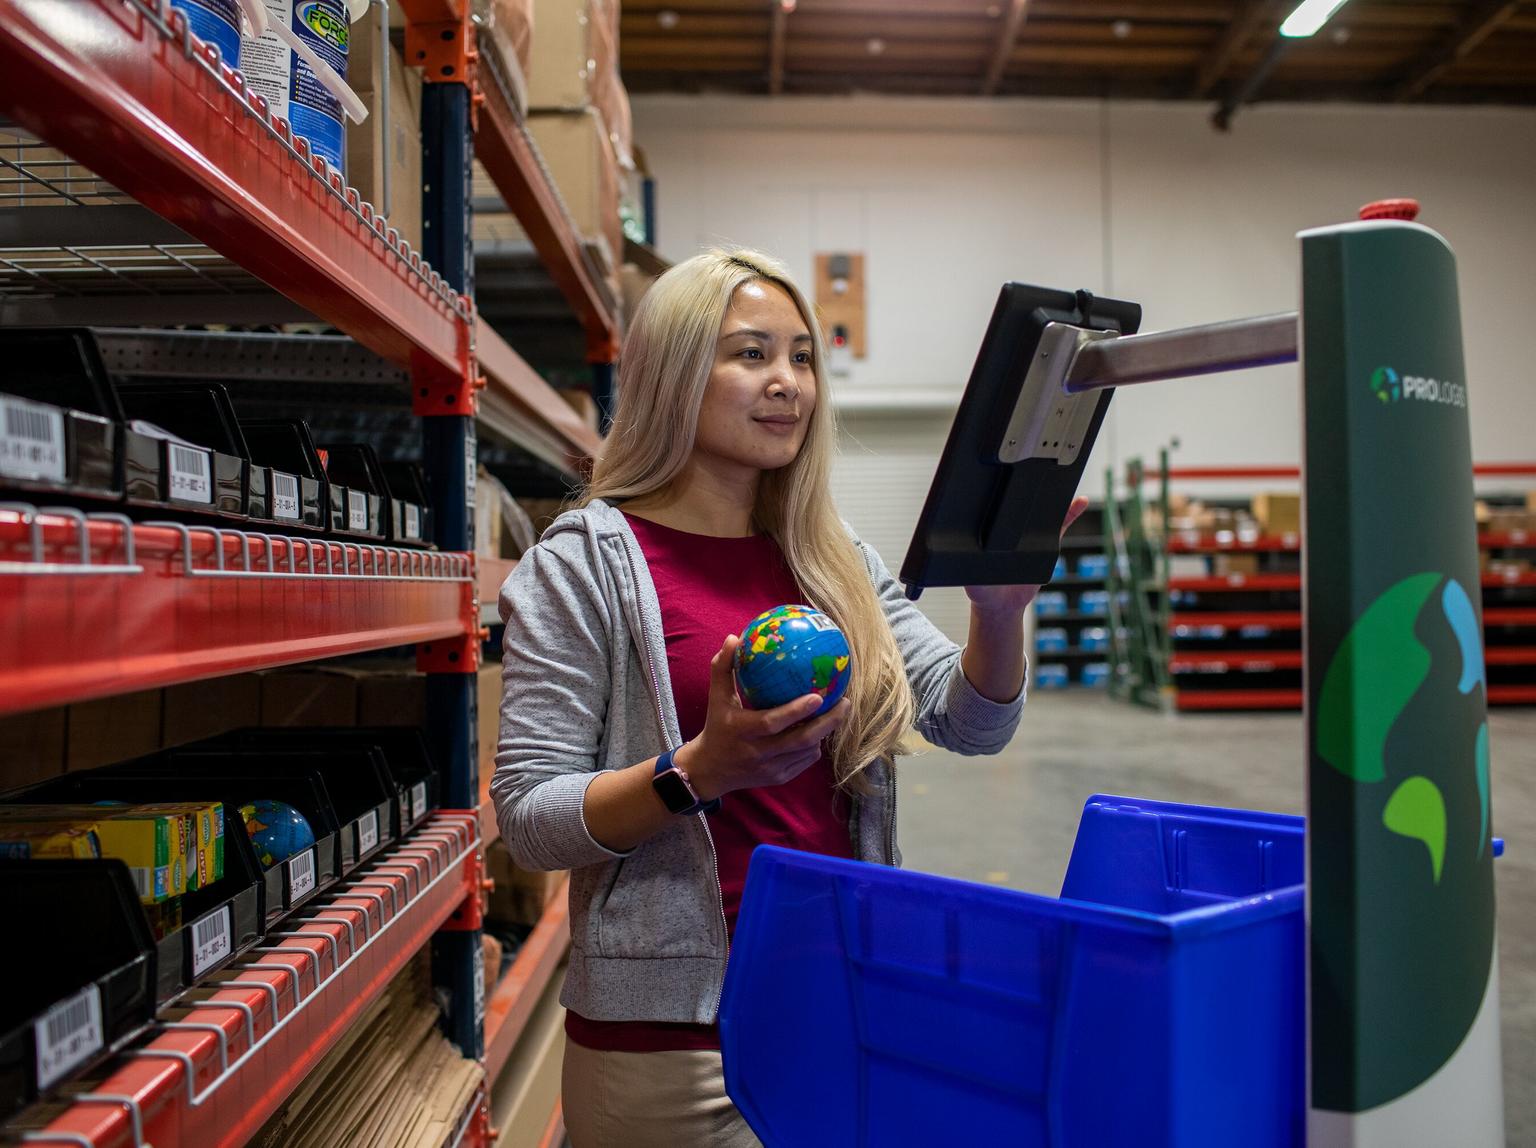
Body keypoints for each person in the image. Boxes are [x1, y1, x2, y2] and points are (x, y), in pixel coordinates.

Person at [491, 248, 1082, 1147]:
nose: (788, 384)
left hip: (837, 1001)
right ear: (674, 376)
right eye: (751, 354)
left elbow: (969, 722)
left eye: (803, 358)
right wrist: (697, 770)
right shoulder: (582, 564)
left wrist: (997, 616)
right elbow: (531, 818)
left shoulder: (830, 556)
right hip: (672, 1047)